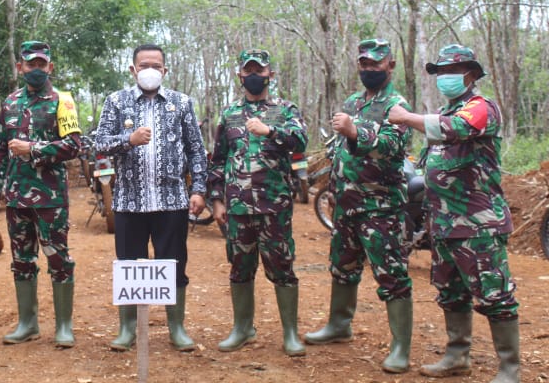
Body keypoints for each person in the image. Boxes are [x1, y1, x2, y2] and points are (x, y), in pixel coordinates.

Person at [388, 44, 519, 383]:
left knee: (494, 293)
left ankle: (509, 369)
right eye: (440, 72)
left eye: (452, 71)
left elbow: (455, 129)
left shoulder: (480, 108)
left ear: (472, 74)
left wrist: (406, 118)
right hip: (444, 224)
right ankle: (457, 356)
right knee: (450, 292)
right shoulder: (447, 110)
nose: (445, 78)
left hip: (478, 225)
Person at [304, 38, 414, 374]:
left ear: (390, 66)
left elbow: (394, 147)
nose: (369, 69)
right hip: (347, 204)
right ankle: (339, 324)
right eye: (364, 64)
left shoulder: (397, 105)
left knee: (391, 274)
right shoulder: (352, 102)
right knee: (343, 265)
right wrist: (334, 186)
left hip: (380, 206)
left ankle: (400, 348)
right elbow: (339, 150)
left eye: (375, 64)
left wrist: (356, 132)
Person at [95, 43, 207, 352]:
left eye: (156, 66)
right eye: (144, 65)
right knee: (129, 263)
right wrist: (128, 140)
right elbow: (99, 144)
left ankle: (177, 327)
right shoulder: (116, 102)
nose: (150, 70)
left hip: (171, 201)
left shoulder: (181, 103)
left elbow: (196, 150)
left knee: (173, 263)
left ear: (165, 70)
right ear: (132, 69)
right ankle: (127, 328)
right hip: (129, 202)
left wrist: (198, 189)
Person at [207, 49, 308, 356]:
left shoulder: (285, 110)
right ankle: (243, 328)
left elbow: (301, 141)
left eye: (259, 71)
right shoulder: (230, 114)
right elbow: (218, 159)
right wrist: (216, 199)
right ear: (240, 76)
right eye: (248, 71)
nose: (254, 76)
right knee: (240, 267)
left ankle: (290, 333)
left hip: (274, 206)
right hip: (238, 208)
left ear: (269, 75)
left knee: (282, 267)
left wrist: (270, 131)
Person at [0, 41, 82, 348]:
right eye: (31, 64)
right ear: (20, 68)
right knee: (21, 260)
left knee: (59, 259)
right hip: (16, 197)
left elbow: (74, 146)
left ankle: (64, 326)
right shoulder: (10, 103)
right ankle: (28, 323)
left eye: (42, 65)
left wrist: (34, 150)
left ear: (50, 67)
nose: (36, 70)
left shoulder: (62, 101)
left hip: (50, 197)